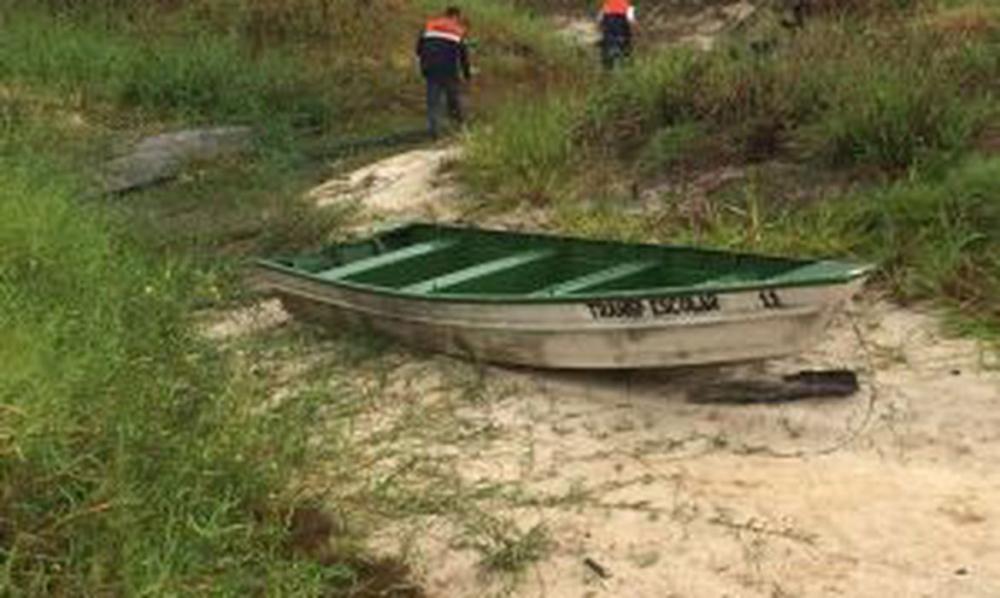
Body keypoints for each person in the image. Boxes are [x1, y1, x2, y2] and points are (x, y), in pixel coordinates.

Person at [416, 6, 472, 139]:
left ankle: (433, 131)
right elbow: (463, 56)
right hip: (448, 69)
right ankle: (460, 127)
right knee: (453, 98)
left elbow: (418, 48)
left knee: (433, 101)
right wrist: (467, 74)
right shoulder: (458, 30)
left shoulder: (429, 25)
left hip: (429, 67)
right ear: (456, 17)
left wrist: (424, 62)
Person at [598, 0, 636, 70]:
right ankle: (621, 64)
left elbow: (603, 7)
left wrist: (600, 18)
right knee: (622, 44)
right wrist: (632, 19)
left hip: (609, 17)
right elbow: (629, 7)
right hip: (620, 17)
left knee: (609, 44)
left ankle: (608, 66)